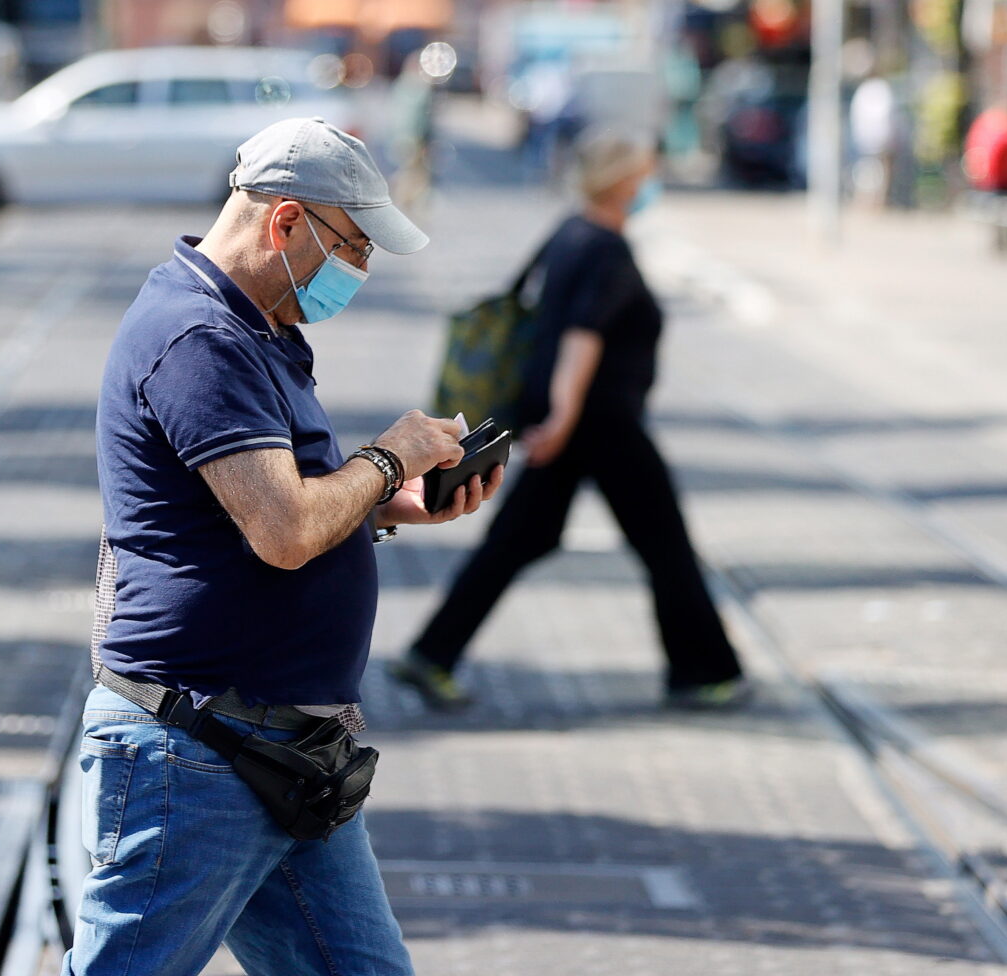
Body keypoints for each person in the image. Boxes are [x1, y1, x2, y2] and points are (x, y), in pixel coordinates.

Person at [72, 117, 500, 976]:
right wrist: (388, 459)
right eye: (354, 246)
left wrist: (389, 505)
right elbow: (285, 531)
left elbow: (267, 509)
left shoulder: (257, 328)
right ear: (288, 220)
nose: (361, 270)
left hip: (281, 755)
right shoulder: (200, 339)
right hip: (198, 750)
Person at [391, 128, 748, 713]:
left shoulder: (571, 231)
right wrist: (563, 413)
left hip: (576, 422)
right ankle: (703, 672)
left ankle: (432, 653)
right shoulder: (605, 248)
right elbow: (582, 335)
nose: (650, 183)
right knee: (665, 545)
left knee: (518, 539)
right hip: (601, 424)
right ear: (624, 180)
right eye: (645, 174)